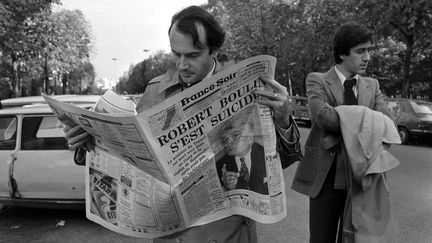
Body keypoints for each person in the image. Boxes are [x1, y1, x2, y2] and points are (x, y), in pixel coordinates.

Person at [64, 5, 302, 243]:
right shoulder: (156, 90)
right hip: (173, 233)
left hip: (228, 233)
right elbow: (135, 160)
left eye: (192, 55)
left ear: (214, 51)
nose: (181, 65)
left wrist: (282, 118)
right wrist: (86, 145)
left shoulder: (249, 86)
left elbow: (281, 164)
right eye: (176, 54)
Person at [291, 22, 391, 243]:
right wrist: (367, 119)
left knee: (353, 241)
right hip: (326, 178)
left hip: (361, 178)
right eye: (360, 51)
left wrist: (346, 117)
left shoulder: (372, 85)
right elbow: (325, 118)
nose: (367, 57)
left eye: (369, 51)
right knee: (320, 239)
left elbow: (386, 124)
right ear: (343, 53)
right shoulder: (317, 79)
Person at [216, 109, 268, 195]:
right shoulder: (220, 166)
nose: (228, 143)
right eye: (225, 139)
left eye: (235, 135)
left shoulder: (266, 154)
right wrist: (226, 188)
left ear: (250, 138)